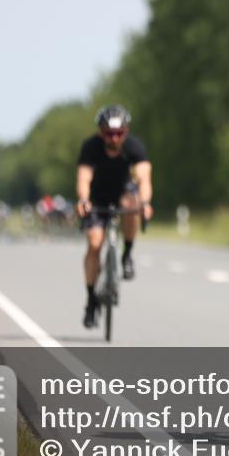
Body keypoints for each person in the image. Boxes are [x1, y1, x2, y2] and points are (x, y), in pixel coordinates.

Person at [75, 105, 153, 329]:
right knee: (94, 243)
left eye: (119, 133)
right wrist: (83, 200)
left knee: (132, 203)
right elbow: (83, 179)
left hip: (122, 195)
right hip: (97, 200)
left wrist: (145, 203)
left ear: (126, 131)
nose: (115, 138)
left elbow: (144, 178)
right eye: (109, 133)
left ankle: (127, 254)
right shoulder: (91, 147)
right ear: (101, 132)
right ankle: (91, 300)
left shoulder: (134, 147)